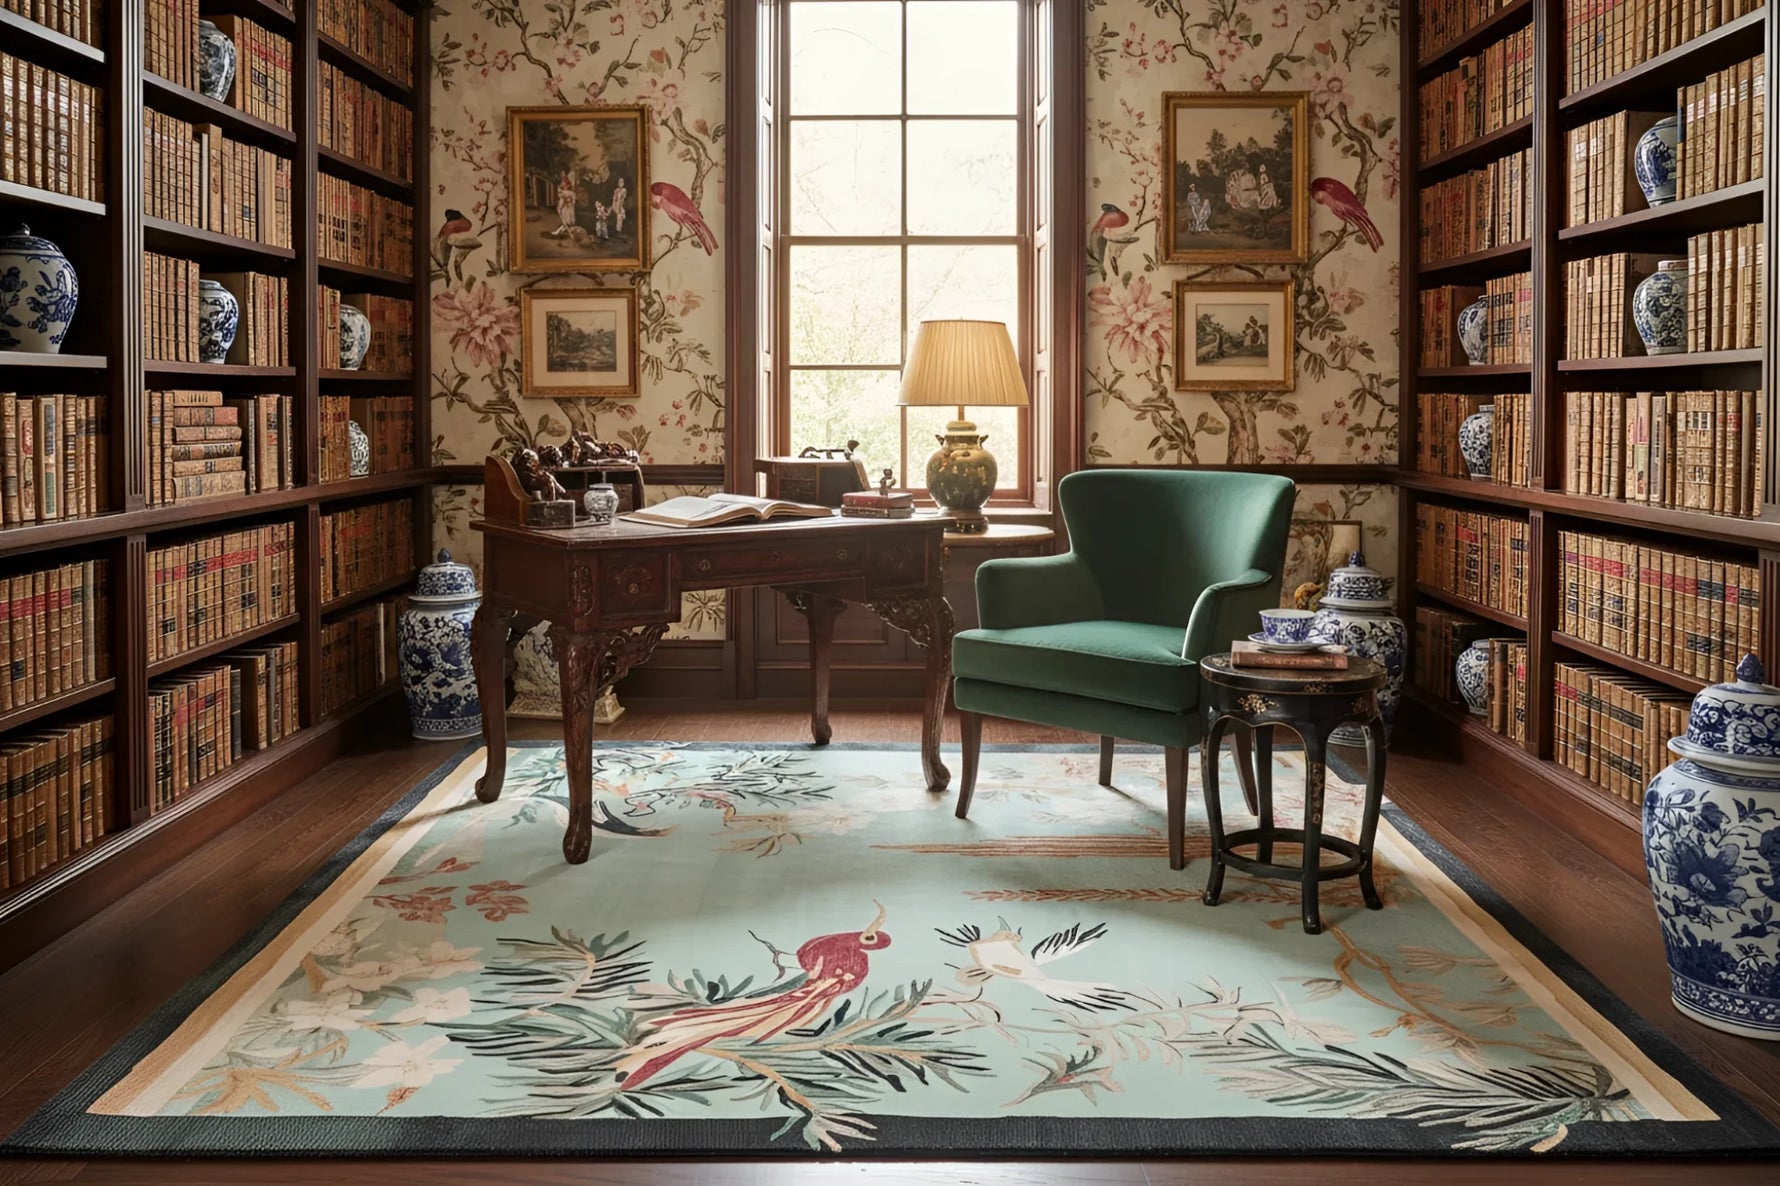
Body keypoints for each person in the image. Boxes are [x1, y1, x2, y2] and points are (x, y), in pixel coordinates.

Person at [554, 170, 578, 236]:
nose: (563, 184)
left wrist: (570, 202)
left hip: (568, 207)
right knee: (564, 218)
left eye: (564, 184)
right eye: (562, 184)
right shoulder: (563, 192)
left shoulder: (570, 193)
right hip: (564, 207)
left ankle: (568, 231)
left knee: (568, 219)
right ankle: (564, 229)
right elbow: (561, 199)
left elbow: (573, 200)